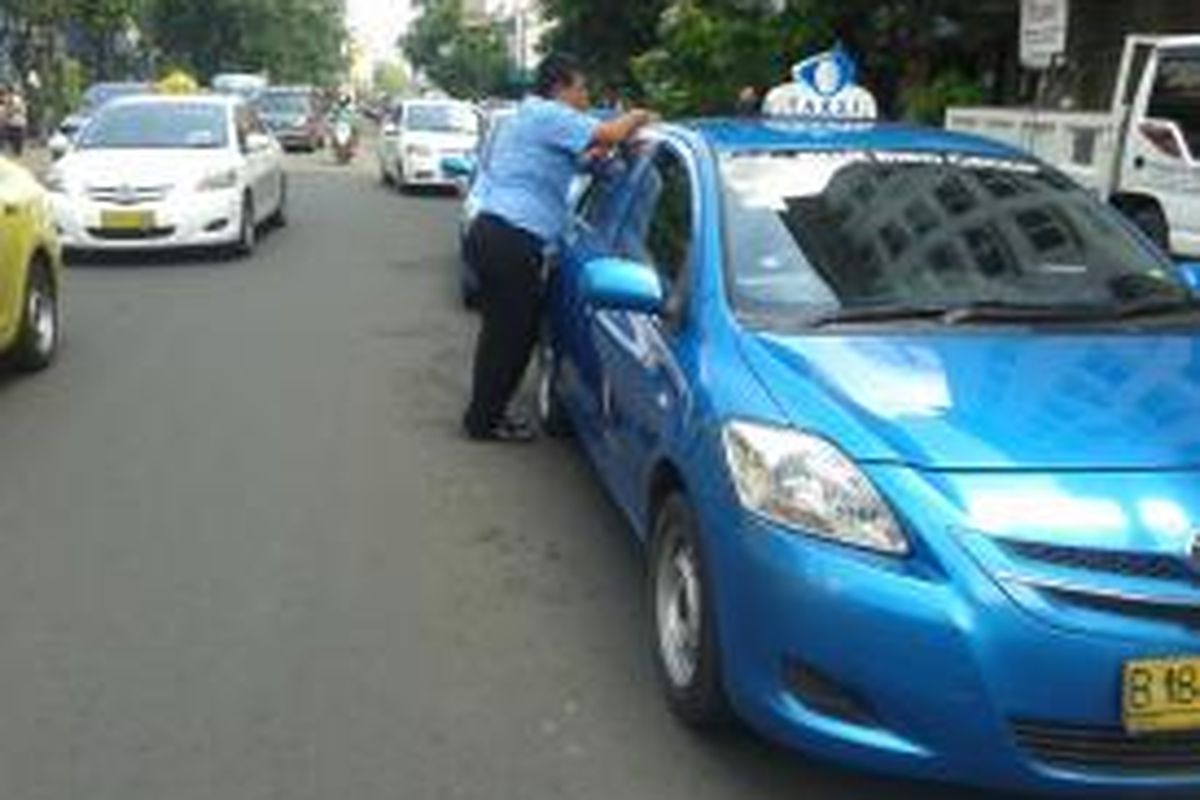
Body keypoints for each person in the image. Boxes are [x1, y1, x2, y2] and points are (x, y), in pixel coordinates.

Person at [462, 53, 654, 442]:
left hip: (500, 234)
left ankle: (485, 414)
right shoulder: (548, 115)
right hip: (511, 238)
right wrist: (641, 116)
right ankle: (483, 421)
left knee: (508, 332)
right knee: (510, 335)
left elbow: (581, 160)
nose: (586, 96)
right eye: (582, 87)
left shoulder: (535, 118)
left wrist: (600, 159)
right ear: (561, 87)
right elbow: (611, 134)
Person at [4, 87, 27, 157]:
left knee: (17, 138)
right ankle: (16, 151)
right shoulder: (11, 99)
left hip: (17, 122)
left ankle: (17, 152)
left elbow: (22, 111)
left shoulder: (15, 100)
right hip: (15, 122)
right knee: (14, 138)